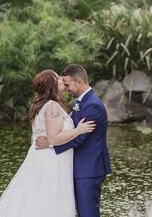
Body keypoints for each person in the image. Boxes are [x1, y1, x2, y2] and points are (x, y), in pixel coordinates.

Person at [0, 69, 96, 217]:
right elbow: (54, 138)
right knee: (50, 199)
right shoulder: (52, 106)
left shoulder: (39, 105)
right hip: (52, 161)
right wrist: (79, 130)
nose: (62, 79)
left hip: (41, 157)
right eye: (58, 78)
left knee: (36, 198)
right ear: (52, 85)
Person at [36, 64, 112, 217]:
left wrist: (50, 144)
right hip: (79, 167)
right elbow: (71, 131)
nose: (66, 87)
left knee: (87, 213)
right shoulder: (79, 102)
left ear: (80, 82)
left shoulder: (93, 105)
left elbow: (80, 139)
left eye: (68, 84)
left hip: (89, 168)